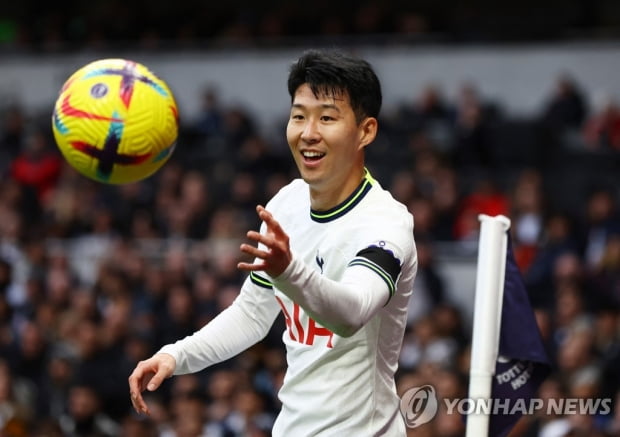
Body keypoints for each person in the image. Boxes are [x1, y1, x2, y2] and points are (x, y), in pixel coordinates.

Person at [128, 48, 418, 436]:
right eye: (299, 116)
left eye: (327, 118)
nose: (308, 132)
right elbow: (252, 315)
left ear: (366, 130)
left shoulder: (386, 223)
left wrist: (289, 271)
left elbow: (351, 312)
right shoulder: (288, 203)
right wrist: (176, 355)